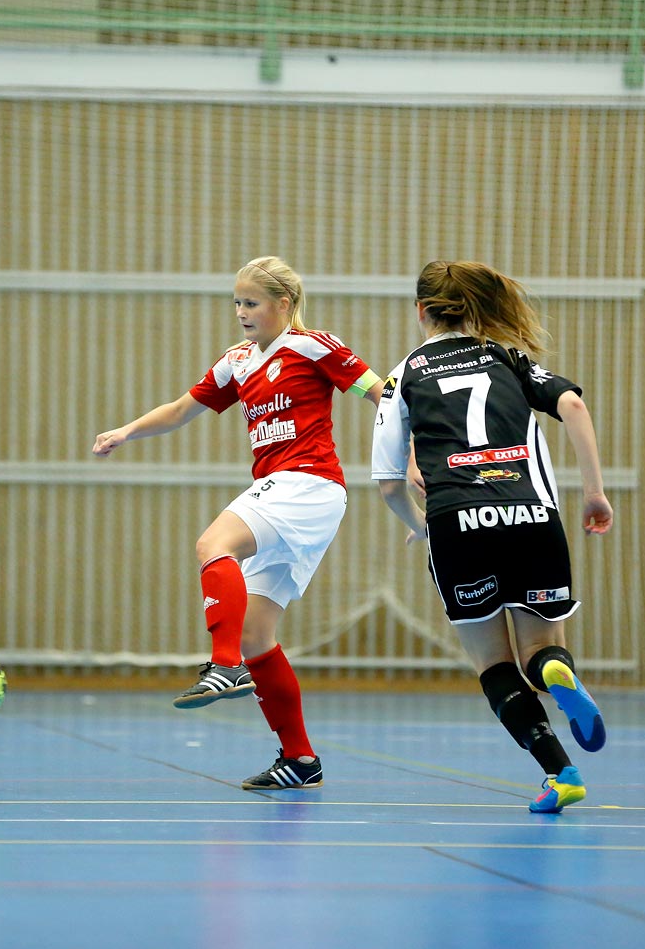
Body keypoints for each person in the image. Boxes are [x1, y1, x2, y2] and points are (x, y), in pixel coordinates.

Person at [92, 256, 382, 790]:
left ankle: (223, 666)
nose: (242, 312)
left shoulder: (315, 345)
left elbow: (381, 394)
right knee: (256, 633)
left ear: (284, 305)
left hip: (308, 483)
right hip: (284, 491)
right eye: (237, 303)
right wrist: (125, 431)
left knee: (213, 543)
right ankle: (300, 759)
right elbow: (181, 410)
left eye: (251, 303)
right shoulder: (238, 361)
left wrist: (409, 455)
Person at [370, 260, 613, 814]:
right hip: (533, 514)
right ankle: (556, 672)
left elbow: (388, 485)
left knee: (495, 665)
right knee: (542, 649)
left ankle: (561, 773)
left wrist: (421, 528)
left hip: (458, 522)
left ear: (421, 312)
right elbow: (572, 404)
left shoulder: (402, 376)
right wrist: (594, 493)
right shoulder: (504, 355)